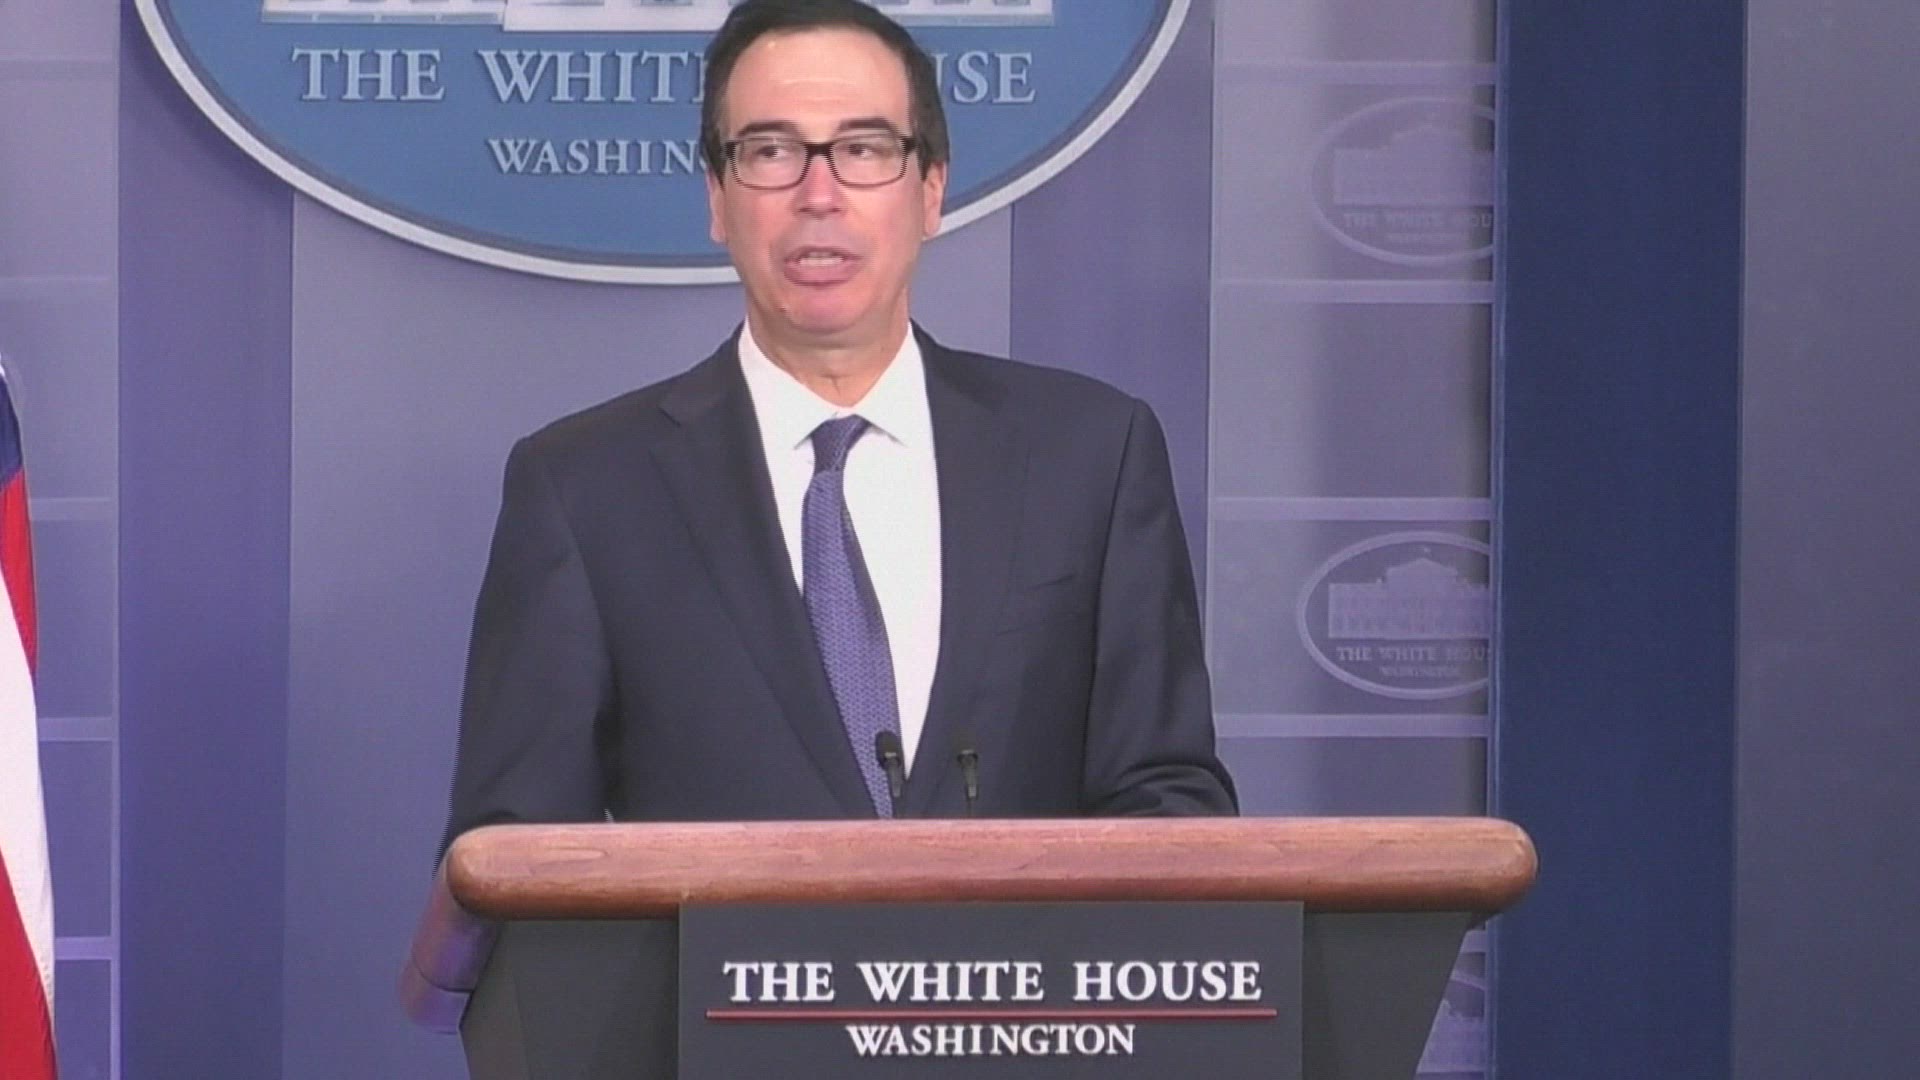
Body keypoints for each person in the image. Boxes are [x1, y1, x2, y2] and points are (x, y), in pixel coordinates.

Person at [441, 0, 1234, 847]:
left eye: (863, 150)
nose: (818, 195)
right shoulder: (586, 490)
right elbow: (514, 859)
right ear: (717, 197)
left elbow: (1169, 803)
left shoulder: (1089, 456)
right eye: (771, 152)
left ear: (931, 189)